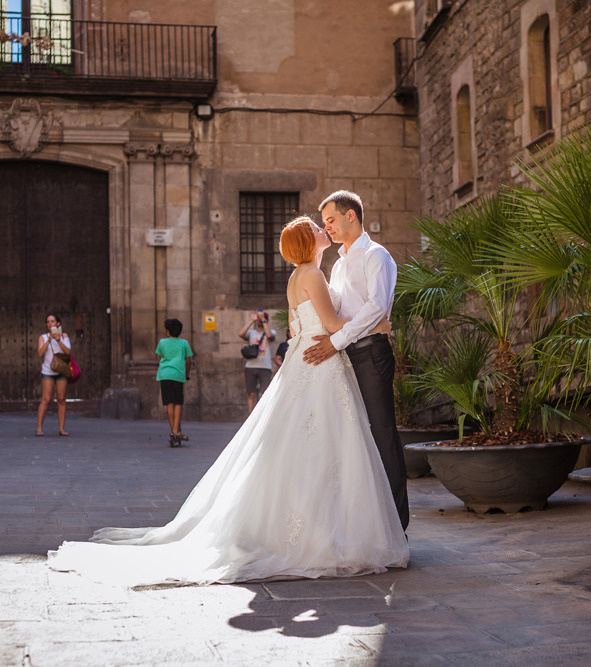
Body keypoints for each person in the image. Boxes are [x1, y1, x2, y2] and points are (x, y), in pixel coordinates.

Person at [48, 216, 409, 587]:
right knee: (322, 447)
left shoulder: (299, 276)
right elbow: (333, 326)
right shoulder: (313, 275)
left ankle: (314, 526)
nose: (323, 228)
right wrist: (375, 321)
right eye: (317, 227)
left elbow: (302, 327)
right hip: (319, 366)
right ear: (308, 240)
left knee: (301, 448)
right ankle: (324, 533)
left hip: (308, 363)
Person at [303, 190, 409, 531]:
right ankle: (364, 524)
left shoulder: (376, 256)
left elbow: (377, 307)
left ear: (351, 216)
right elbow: (338, 311)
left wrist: (336, 341)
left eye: (331, 220)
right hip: (344, 355)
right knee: (353, 438)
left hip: (371, 354)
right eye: (324, 223)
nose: (327, 227)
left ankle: (396, 525)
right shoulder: (338, 263)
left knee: (382, 434)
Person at [156, 318, 193, 447]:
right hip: (178, 375)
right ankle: (177, 431)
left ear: (167, 331)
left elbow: (160, 358)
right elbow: (188, 361)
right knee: (178, 403)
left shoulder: (162, 343)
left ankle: (173, 431)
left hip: (164, 375)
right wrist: (187, 374)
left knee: (169, 403)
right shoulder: (184, 344)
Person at [36, 314, 70, 436]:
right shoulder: (43, 337)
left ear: (58, 323)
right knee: (46, 399)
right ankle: (39, 428)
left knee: (61, 399)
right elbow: (40, 353)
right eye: (48, 322)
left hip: (61, 371)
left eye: (52, 321)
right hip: (48, 372)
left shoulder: (64, 336)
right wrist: (49, 339)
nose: (50, 323)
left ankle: (61, 428)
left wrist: (58, 340)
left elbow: (68, 351)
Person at [237, 309, 276, 413]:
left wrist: (263, 320)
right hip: (250, 367)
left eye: (262, 319)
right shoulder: (251, 333)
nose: (259, 321)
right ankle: (251, 416)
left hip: (265, 367)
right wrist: (251, 321)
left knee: (265, 394)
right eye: (258, 319)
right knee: (251, 394)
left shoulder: (272, 332)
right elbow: (241, 334)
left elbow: (269, 336)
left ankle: (263, 415)